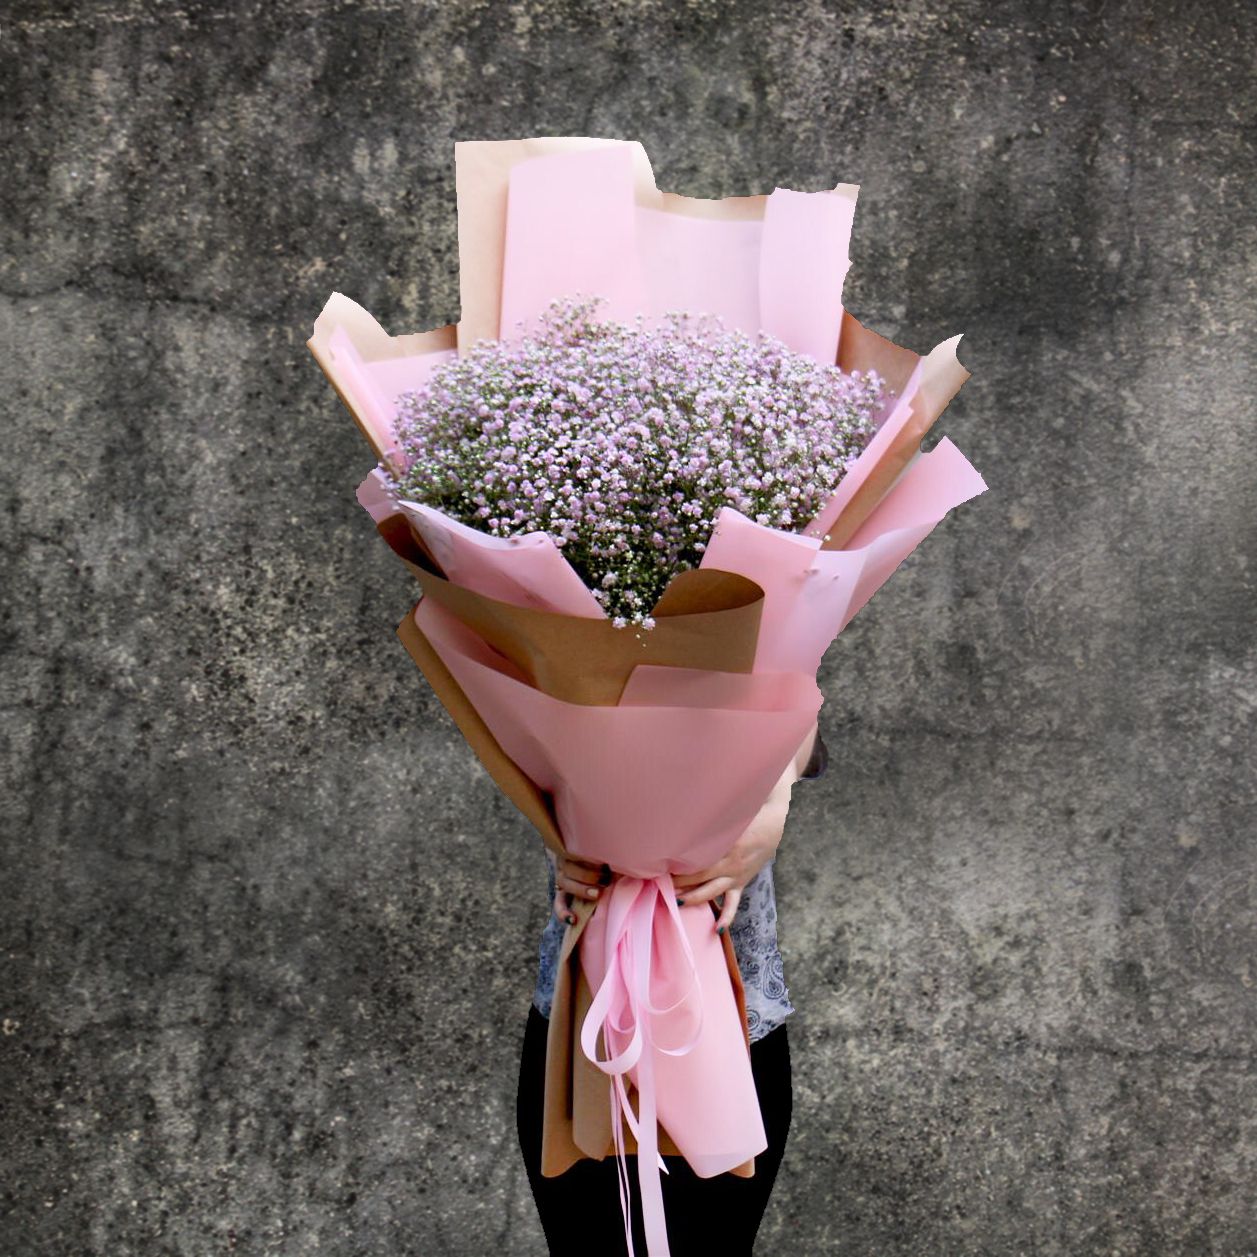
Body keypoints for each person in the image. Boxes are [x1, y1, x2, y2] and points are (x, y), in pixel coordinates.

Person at [516, 722, 829, 1255]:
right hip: (583, 1016)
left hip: (731, 1019)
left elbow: (795, 708)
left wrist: (773, 802)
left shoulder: (748, 665)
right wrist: (559, 824)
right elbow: (525, 733)